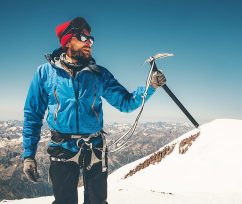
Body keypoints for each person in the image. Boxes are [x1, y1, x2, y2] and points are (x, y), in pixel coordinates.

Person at [22, 17, 166, 204]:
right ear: (68, 41)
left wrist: (150, 86)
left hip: (94, 148)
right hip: (61, 148)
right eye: (83, 37)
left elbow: (126, 102)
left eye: (91, 39)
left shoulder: (99, 74)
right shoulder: (45, 73)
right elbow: (32, 115)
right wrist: (28, 155)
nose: (89, 42)